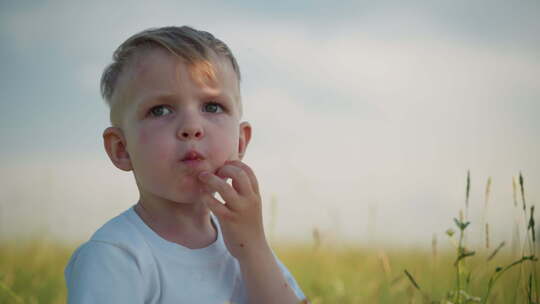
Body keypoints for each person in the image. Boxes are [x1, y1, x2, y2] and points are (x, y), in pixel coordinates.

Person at [64, 26, 306, 304]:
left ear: (240, 142)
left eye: (212, 107)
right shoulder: (116, 255)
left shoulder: (243, 244)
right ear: (122, 149)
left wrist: (253, 248)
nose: (192, 127)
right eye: (160, 110)